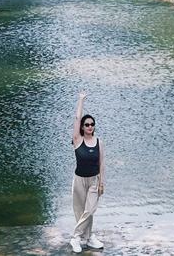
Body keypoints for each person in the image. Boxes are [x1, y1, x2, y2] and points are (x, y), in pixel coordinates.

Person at [70, 91, 105, 253]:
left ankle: (76, 237)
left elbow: (101, 163)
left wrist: (101, 183)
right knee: (81, 211)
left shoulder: (99, 142)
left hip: (93, 180)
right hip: (79, 180)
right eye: (87, 124)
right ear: (82, 127)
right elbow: (77, 118)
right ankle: (89, 237)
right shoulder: (77, 140)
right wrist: (81, 100)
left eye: (92, 124)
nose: (90, 126)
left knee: (90, 209)